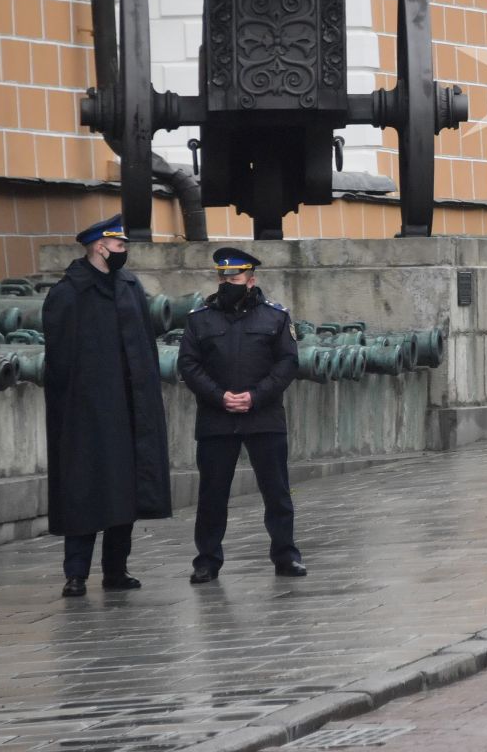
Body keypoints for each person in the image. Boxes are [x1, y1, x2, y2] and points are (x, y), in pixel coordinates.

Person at [43, 216, 172, 599]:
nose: (124, 252)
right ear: (100, 246)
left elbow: (144, 346)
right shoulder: (68, 294)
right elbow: (60, 361)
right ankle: (76, 573)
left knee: (124, 491)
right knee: (83, 490)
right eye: (119, 246)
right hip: (85, 413)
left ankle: (116, 569)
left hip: (129, 407)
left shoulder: (130, 287)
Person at [177, 247, 305, 582]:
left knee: (276, 491)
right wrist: (220, 397)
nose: (227, 282)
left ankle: (286, 555)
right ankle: (206, 560)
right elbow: (189, 365)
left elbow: (288, 363)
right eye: (222, 276)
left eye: (234, 276)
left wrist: (256, 396)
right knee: (212, 495)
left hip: (263, 417)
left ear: (251, 279)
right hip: (217, 419)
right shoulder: (199, 318)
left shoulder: (275, 317)